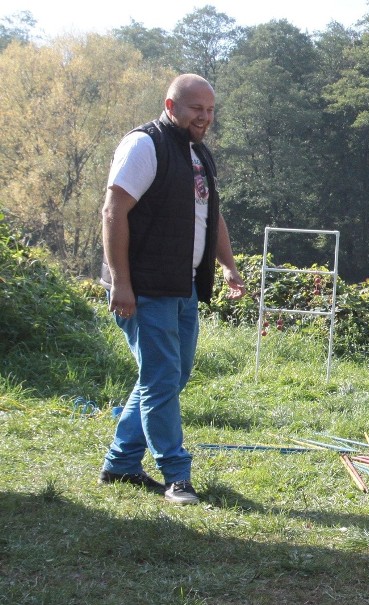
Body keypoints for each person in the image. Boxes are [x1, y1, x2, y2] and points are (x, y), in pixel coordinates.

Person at [98, 74, 246, 505]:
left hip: (182, 287)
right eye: (196, 108)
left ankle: (121, 463)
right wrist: (121, 282)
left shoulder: (198, 153)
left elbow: (210, 215)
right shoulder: (145, 145)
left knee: (168, 377)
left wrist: (228, 266)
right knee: (161, 379)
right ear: (171, 105)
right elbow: (113, 212)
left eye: (210, 110)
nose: (205, 117)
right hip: (143, 287)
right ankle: (177, 476)